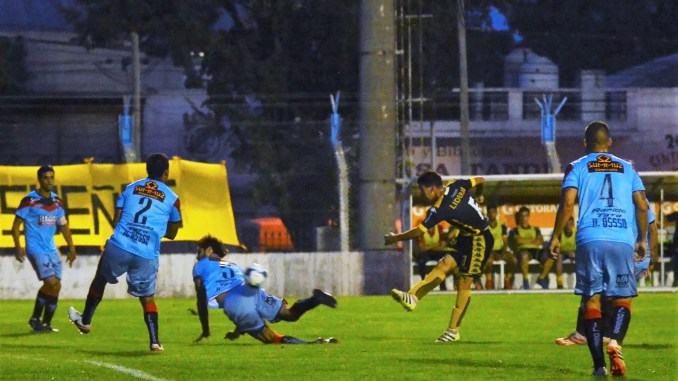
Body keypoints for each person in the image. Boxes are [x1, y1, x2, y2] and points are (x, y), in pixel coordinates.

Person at [548, 121, 648, 377]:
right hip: (621, 239)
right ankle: (614, 341)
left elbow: (568, 203)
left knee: (591, 300)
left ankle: (598, 367)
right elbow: (642, 206)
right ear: (610, 142)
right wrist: (641, 239)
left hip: (590, 237)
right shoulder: (627, 167)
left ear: (585, 144)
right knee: (622, 299)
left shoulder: (577, 166)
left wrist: (556, 236)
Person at [68, 153, 183, 351]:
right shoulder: (173, 199)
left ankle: (85, 321)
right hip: (146, 253)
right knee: (147, 297)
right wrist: (152, 231)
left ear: (146, 170)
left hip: (120, 244)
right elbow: (172, 233)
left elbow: (116, 220)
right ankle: (155, 342)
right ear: (166, 173)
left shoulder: (130, 188)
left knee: (100, 279)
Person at [385, 171, 492, 343]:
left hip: (480, 239)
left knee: (464, 282)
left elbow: (419, 231)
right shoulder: (455, 184)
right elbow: (480, 179)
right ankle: (413, 296)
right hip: (465, 237)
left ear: (431, 188)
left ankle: (453, 330)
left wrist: (395, 238)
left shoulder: (440, 209)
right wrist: (479, 196)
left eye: (422, 190)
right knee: (443, 265)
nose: (422, 194)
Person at [192, 234, 338, 344]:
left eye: (199, 252)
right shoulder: (231, 264)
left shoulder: (199, 266)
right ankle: (315, 299)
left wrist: (205, 329)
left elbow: (202, 298)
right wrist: (239, 329)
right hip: (251, 291)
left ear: (209, 250)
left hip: (234, 302)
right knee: (289, 314)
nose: (197, 256)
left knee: (271, 338)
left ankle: (314, 344)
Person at [554, 205, 657, 347]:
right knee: (602, 291)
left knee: (605, 292)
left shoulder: (637, 200)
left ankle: (596, 335)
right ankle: (597, 335)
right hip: (619, 251)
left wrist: (651, 256)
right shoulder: (620, 199)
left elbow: (653, 230)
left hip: (631, 255)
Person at [12, 165, 77, 333]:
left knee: (56, 286)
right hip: (35, 248)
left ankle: (45, 324)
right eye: (46, 178)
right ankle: (35, 318)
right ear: (39, 180)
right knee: (51, 282)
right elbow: (16, 225)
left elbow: (63, 226)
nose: (49, 181)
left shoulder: (57, 202)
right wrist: (18, 246)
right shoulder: (29, 200)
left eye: (52, 177)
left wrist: (72, 248)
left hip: (51, 248)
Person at [509, 206, 553, 289]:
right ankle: (526, 281)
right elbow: (518, 241)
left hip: (535, 250)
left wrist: (525, 240)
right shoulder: (515, 230)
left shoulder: (536, 229)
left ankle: (541, 278)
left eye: (526, 216)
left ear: (528, 216)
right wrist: (533, 240)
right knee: (524, 256)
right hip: (523, 250)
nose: (524, 218)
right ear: (519, 217)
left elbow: (540, 241)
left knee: (550, 257)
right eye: (522, 216)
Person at [483, 204, 516, 290]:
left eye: (493, 212)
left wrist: (503, 251)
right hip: (488, 250)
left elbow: (505, 241)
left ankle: (507, 280)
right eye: (489, 212)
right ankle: (489, 280)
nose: (491, 214)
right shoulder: (484, 226)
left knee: (513, 260)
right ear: (487, 214)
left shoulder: (502, 226)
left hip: (500, 250)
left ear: (497, 213)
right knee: (488, 260)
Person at [413, 225, 449, 291]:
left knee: (444, 261)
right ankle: (423, 284)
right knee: (421, 262)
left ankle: (443, 286)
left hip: (437, 252)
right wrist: (436, 245)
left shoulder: (439, 228)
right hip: (426, 253)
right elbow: (422, 248)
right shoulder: (421, 230)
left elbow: (442, 247)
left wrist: (429, 246)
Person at [555, 217, 577, 289]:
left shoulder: (576, 233)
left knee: (582, 257)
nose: (568, 226)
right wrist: (567, 252)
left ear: (573, 224)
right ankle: (559, 281)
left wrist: (575, 253)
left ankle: (582, 279)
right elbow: (557, 248)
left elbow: (581, 246)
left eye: (570, 224)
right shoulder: (560, 234)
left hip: (574, 252)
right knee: (559, 257)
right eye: (567, 224)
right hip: (563, 253)